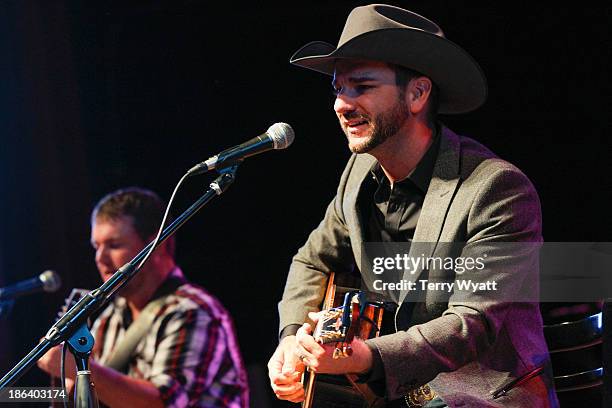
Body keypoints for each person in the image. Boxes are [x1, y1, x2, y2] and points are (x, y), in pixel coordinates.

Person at [268, 4, 558, 407]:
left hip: (478, 397)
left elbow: (469, 325)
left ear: (418, 93)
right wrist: (290, 337)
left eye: (362, 86)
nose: (341, 104)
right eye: (339, 88)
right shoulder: (358, 173)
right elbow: (311, 260)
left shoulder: (497, 188)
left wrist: (369, 356)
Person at [38, 187, 249, 407]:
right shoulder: (109, 319)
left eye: (114, 245)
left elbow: (163, 403)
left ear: (157, 245)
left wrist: (80, 369)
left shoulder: (193, 311)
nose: (100, 257)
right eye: (96, 247)